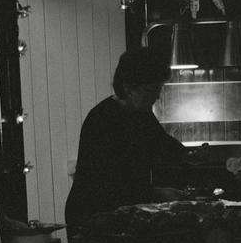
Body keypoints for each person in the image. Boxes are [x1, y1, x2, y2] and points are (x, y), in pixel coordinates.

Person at [65, 48, 189, 230]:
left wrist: (191, 155)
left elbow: (165, 145)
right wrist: (157, 193)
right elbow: (110, 183)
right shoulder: (103, 120)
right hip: (93, 216)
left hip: (114, 212)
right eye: (151, 89)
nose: (157, 96)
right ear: (128, 88)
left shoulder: (141, 115)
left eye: (159, 88)